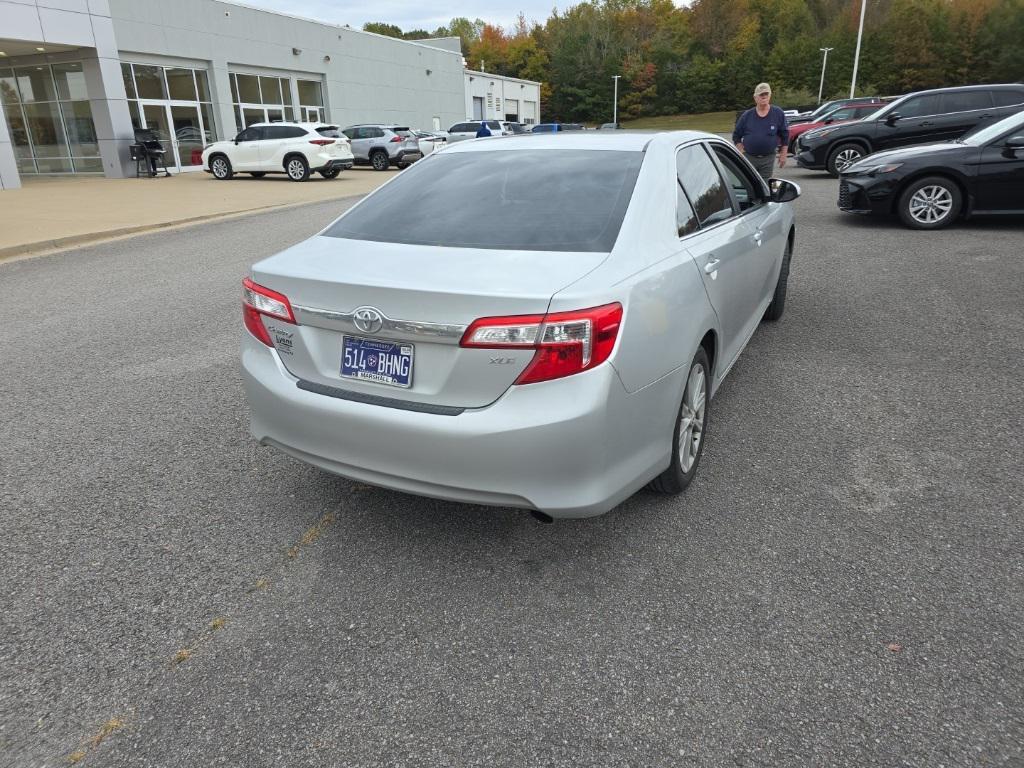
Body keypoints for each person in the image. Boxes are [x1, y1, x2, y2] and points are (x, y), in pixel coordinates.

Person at [733, 82, 789, 182]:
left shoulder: (778, 113)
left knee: (765, 184)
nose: (764, 96)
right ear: (755, 98)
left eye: (766, 94)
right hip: (749, 157)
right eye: (761, 94)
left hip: (768, 158)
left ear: (770, 96)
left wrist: (783, 154)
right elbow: (736, 135)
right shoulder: (747, 115)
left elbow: (785, 135)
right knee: (749, 183)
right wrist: (741, 150)